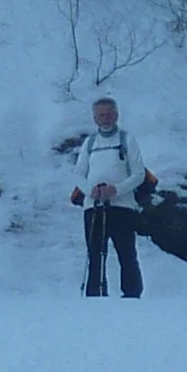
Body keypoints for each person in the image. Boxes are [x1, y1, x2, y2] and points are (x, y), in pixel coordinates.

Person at [74, 96, 146, 298]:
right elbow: (79, 174)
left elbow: (138, 174)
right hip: (93, 207)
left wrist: (116, 190)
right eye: (100, 115)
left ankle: (132, 295)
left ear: (116, 115)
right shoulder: (89, 143)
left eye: (108, 114)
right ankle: (95, 296)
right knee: (95, 254)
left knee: (127, 253)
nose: (105, 119)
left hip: (122, 207)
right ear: (95, 118)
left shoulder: (127, 140)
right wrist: (91, 190)